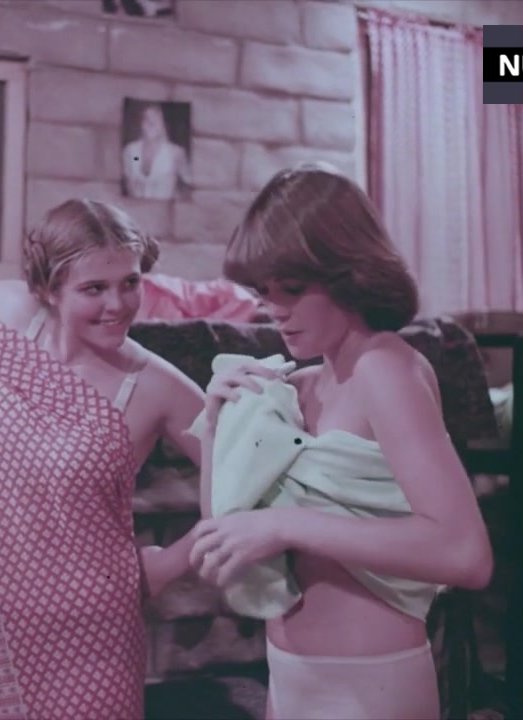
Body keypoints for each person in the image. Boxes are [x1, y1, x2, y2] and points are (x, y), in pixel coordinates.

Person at [185, 163, 494, 720]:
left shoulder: (385, 367)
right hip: (288, 678)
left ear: (348, 272)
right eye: (264, 292)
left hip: (370, 689)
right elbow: (221, 541)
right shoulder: (300, 385)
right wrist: (216, 425)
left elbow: (465, 554)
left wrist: (284, 524)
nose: (275, 309)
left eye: (293, 289)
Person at [0, 198, 204, 720]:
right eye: (94, 288)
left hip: (98, 642)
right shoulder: (7, 321)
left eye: (130, 282)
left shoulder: (156, 385)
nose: (117, 304)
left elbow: (251, 483)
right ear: (48, 289)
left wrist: (168, 565)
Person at [121, 102, 193, 200]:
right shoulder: (130, 151)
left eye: (156, 120)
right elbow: (128, 184)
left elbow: (189, 186)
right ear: (141, 123)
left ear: (163, 125)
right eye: (147, 119)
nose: (151, 124)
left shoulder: (176, 153)